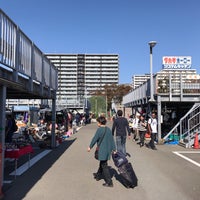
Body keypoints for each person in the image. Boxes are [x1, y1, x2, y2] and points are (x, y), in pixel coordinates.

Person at [87, 116, 116, 187]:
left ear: (100, 123)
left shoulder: (99, 130)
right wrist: (114, 149)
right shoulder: (108, 129)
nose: (97, 123)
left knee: (104, 165)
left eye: (97, 122)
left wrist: (90, 146)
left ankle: (109, 182)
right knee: (102, 163)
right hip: (108, 150)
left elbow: (95, 139)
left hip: (102, 150)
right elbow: (112, 140)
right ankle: (98, 175)